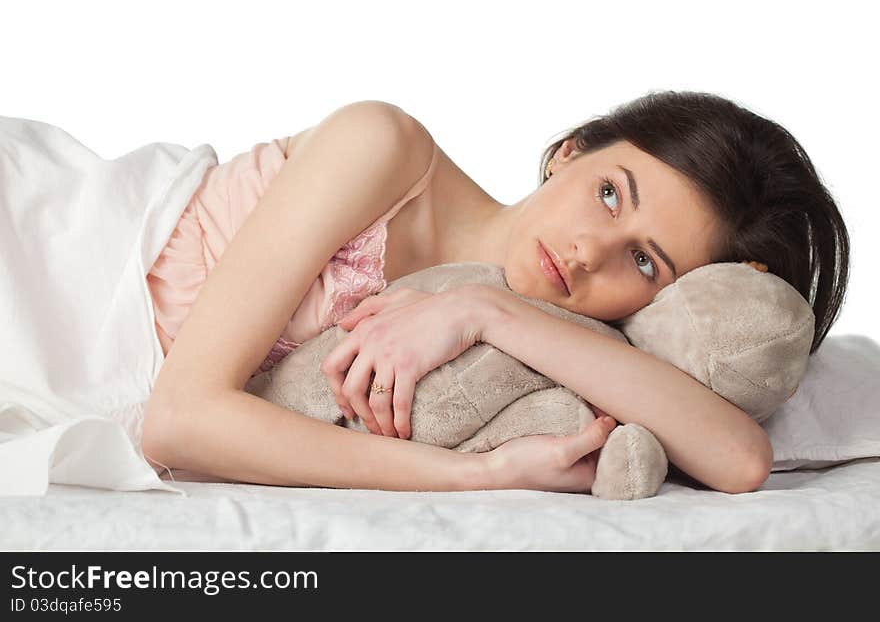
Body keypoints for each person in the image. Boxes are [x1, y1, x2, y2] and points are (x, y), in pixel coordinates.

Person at [141, 91, 850, 495]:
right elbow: (178, 418)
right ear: (570, 149)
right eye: (609, 194)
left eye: (642, 261)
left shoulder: (574, 348)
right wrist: (472, 475)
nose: (585, 253)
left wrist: (485, 311)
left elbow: (741, 458)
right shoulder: (384, 149)